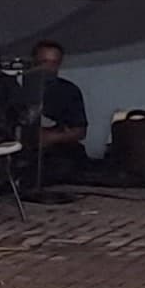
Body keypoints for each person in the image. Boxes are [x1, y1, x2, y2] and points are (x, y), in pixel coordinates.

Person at [21, 40, 93, 187]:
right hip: (21, 148)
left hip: (55, 149)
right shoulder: (17, 88)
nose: (48, 68)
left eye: (54, 63)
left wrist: (52, 137)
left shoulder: (68, 90)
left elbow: (80, 131)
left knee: (66, 165)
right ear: (33, 61)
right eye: (44, 62)